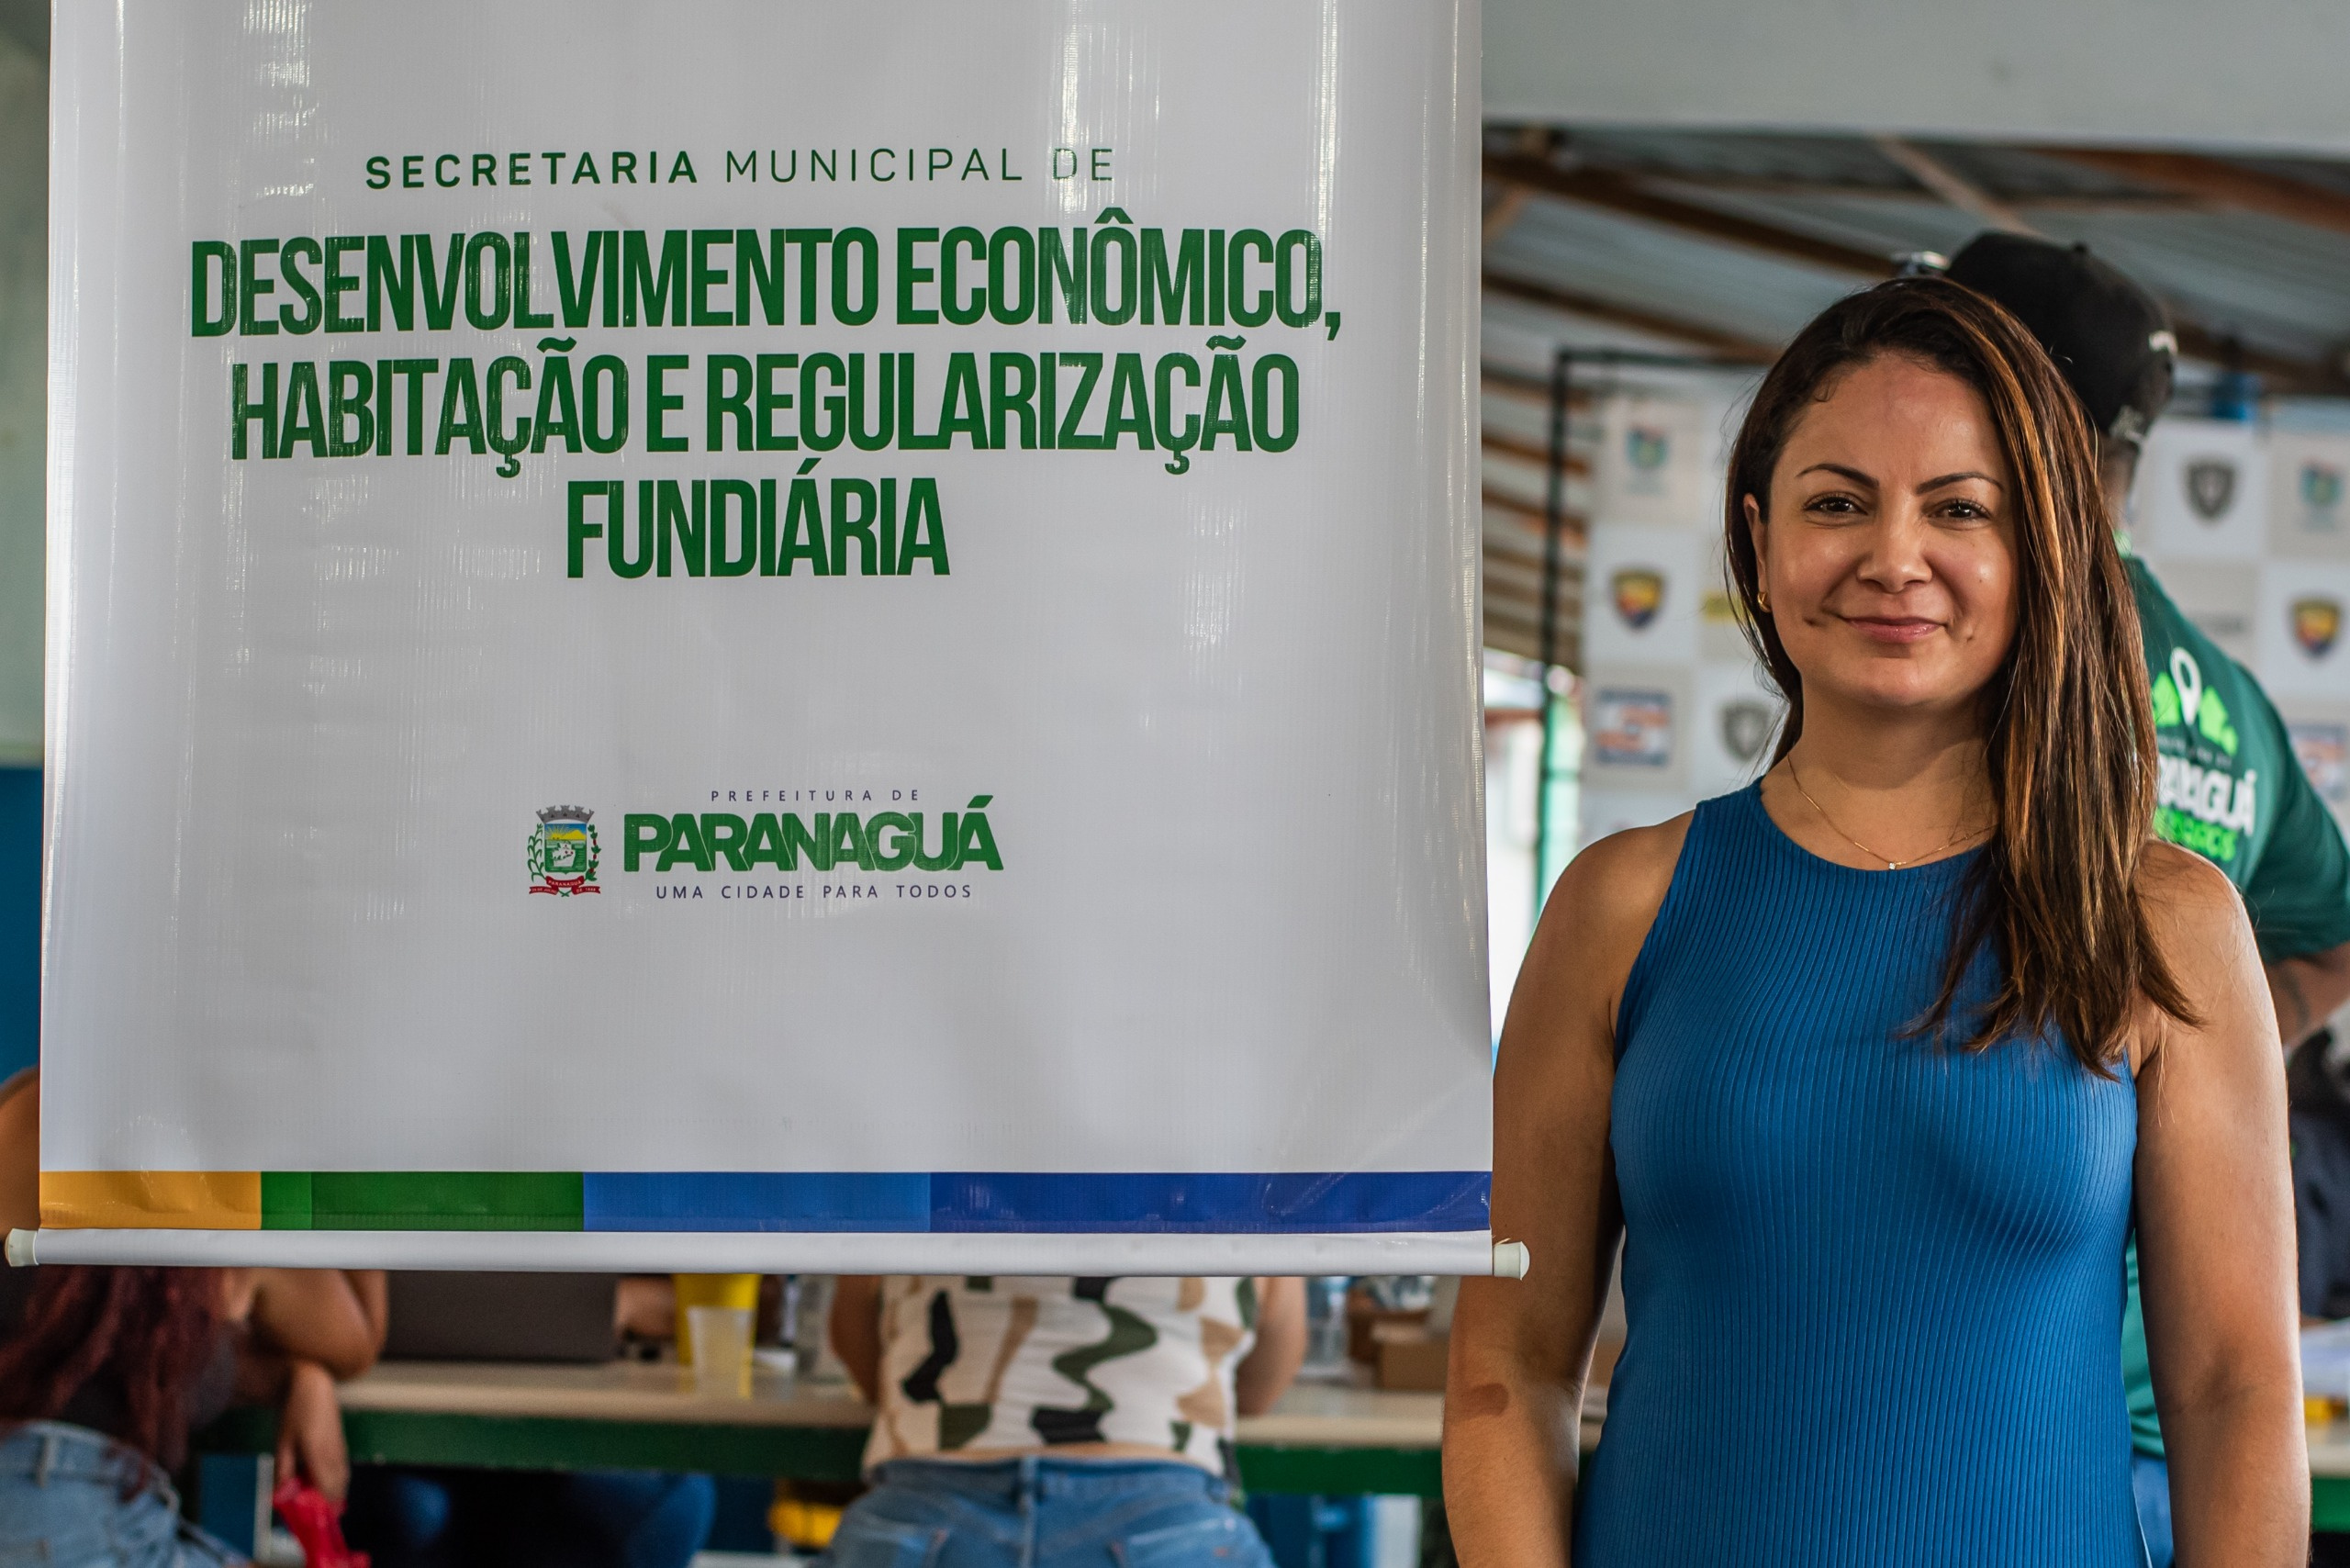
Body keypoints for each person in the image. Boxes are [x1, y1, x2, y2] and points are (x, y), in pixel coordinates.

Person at [1444, 277, 2305, 1565]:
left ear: (2040, 550)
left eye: (1959, 509)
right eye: (1837, 503)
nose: (1893, 558)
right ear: (1759, 538)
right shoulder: (1619, 908)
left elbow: (2233, 1395)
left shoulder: (2159, 925)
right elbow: (1507, 1367)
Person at [1945, 230, 2350, 1566]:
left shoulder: (1987, 646)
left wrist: (2195, 1055)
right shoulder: (2221, 698)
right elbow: (2334, 932)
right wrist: (2216, 1061)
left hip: (2008, 1399)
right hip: (2202, 1410)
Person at [0, 1067, 356, 1566]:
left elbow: (108, 1359)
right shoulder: (228, 1173)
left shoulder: (28, 1104)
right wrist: (360, 1140)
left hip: (67, 1513)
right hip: (64, 1517)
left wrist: (300, 1376)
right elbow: (355, 1343)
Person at [826, 1275, 1305, 1568]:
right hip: (1164, 1514)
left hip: (924, 1505)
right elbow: (1260, 1390)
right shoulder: (1241, 1178)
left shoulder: (917, 1166)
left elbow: (867, 1362)